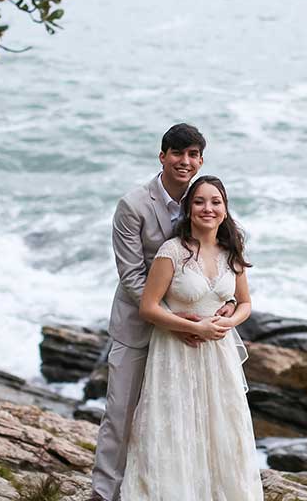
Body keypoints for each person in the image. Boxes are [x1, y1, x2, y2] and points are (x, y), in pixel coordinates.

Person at [92, 124, 236, 501]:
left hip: (194, 333)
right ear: (162, 157)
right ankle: (104, 493)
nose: (184, 162)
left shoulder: (203, 200)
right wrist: (176, 318)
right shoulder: (133, 205)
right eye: (177, 153)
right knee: (121, 413)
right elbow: (130, 276)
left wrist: (227, 302)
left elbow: (222, 256)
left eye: (192, 155)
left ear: (200, 160)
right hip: (139, 326)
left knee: (181, 418)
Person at [119, 176, 263, 500]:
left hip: (219, 355)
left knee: (222, 430)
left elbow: (245, 303)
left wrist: (228, 322)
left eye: (216, 202)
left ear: (225, 209)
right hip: (175, 352)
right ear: (188, 209)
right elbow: (148, 307)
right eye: (199, 201)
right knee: (175, 429)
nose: (207, 208)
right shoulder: (172, 251)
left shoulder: (232, 251)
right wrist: (194, 328)